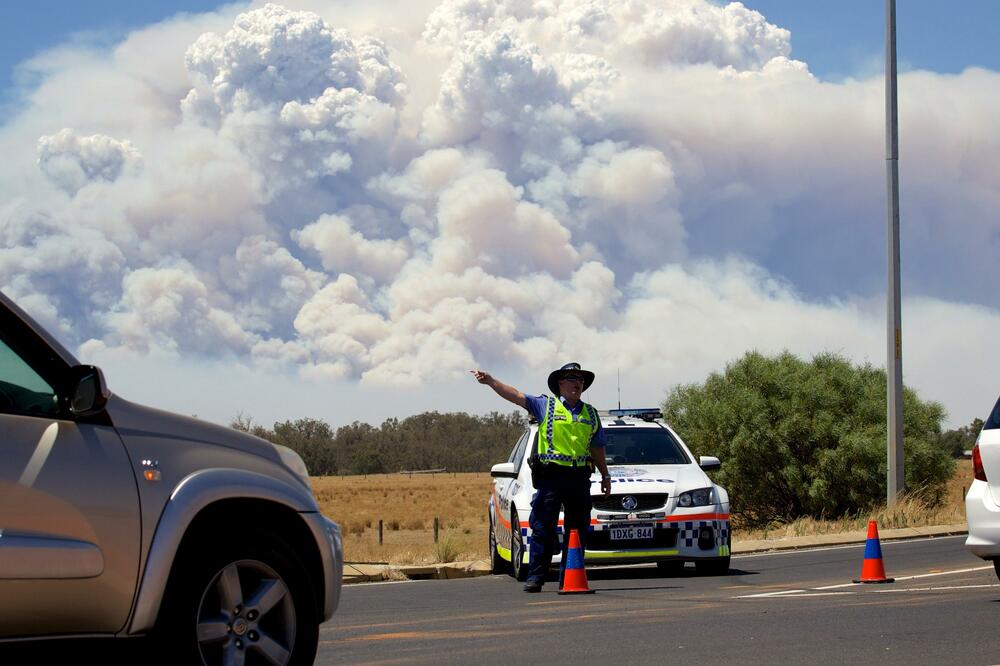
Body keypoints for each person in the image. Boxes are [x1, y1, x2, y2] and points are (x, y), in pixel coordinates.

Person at [471, 362, 612, 592]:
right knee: (543, 528)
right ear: (560, 384)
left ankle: (570, 577)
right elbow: (515, 395)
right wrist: (491, 382)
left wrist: (605, 475)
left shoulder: (591, 414)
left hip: (579, 478)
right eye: (571, 378)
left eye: (580, 380)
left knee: (577, 530)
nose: (577, 383)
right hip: (551, 477)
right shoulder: (545, 405)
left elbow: (597, 448)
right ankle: (536, 577)